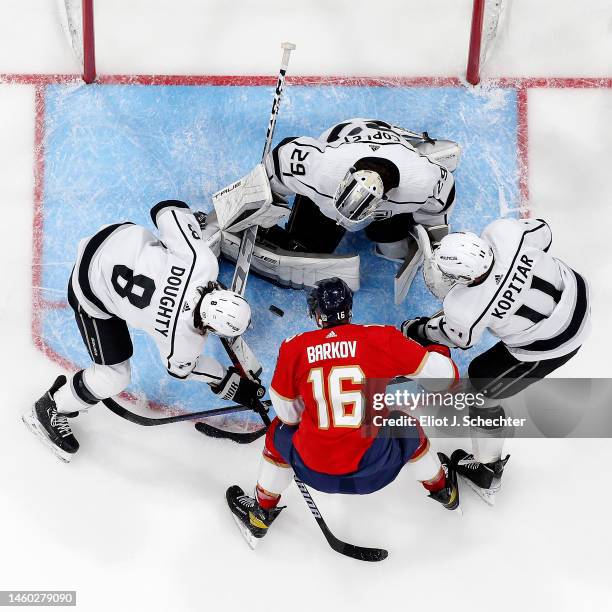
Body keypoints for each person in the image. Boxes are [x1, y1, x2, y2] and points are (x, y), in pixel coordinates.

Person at [226, 277, 460, 548]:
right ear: (349, 308)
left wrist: (317, 406)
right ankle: (443, 491)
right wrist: (435, 348)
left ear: (316, 314)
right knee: (404, 425)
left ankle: (261, 513)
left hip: (315, 471)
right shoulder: (381, 337)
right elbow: (446, 378)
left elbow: (288, 414)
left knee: (279, 430)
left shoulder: (295, 346)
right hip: (375, 471)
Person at [24, 200, 263, 462]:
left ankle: (186, 237)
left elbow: (165, 207)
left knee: (190, 240)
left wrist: (189, 234)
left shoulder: (202, 262)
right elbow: (183, 370)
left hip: (111, 237)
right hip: (88, 286)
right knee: (113, 376)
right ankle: (50, 407)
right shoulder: (182, 341)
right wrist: (227, 381)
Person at [401, 217, 591, 503]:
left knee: (481, 385)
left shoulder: (465, 308)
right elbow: (544, 233)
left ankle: (488, 471)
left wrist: (418, 330)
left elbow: (458, 338)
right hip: (577, 292)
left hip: (556, 341)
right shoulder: (506, 233)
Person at [216, 118, 460, 294]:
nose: (344, 223)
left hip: (395, 176)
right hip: (344, 138)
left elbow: (441, 206)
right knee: (305, 246)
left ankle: (409, 146)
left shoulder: (423, 183)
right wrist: (264, 203)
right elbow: (278, 162)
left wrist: (434, 243)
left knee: (395, 251)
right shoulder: (320, 168)